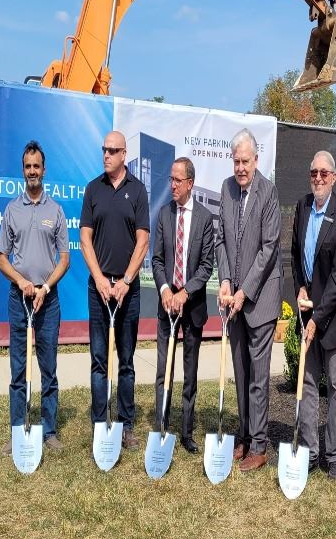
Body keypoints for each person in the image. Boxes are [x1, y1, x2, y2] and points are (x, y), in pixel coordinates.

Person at [0, 140, 70, 455]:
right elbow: (2, 258)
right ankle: (18, 431)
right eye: (27, 167)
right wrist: (22, 281)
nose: (32, 171)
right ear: (22, 170)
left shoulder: (56, 210)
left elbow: (64, 259)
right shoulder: (12, 209)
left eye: (36, 166)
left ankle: (49, 431)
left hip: (47, 301)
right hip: (19, 299)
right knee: (18, 370)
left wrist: (45, 288)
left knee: (48, 369)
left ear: (44, 169)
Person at [216, 128, 282, 472]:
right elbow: (221, 241)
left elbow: (269, 249)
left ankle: (259, 445)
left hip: (260, 299)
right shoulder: (226, 189)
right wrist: (227, 282)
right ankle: (243, 436)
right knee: (241, 372)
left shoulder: (268, 193)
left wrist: (244, 292)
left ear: (256, 160)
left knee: (258, 375)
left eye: (245, 161)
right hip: (235, 300)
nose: (240, 168)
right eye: (236, 161)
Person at [80, 131, 150, 449]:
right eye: (104, 150)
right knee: (99, 359)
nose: (106, 155)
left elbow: (143, 240)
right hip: (99, 290)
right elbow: (85, 239)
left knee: (126, 360)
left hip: (127, 291)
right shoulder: (93, 189)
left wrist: (126, 281)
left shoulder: (138, 190)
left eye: (112, 150)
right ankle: (100, 423)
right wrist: (99, 279)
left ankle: (125, 425)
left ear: (124, 154)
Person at [290, 150, 336, 479]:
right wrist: (300, 287)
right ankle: (310, 452)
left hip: (334, 317)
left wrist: (317, 319)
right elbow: (294, 254)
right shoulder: (302, 206)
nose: (318, 178)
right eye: (313, 172)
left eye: (323, 173)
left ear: (333, 178)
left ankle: (333, 456)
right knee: (308, 382)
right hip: (308, 314)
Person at [151, 157, 215, 454]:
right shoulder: (164, 214)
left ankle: (187, 432)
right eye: (171, 179)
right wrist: (166, 290)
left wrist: (184, 293)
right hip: (166, 305)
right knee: (164, 368)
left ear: (190, 183)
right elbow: (157, 259)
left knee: (190, 372)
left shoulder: (204, 218)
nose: (172, 185)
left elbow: (206, 266)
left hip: (192, 306)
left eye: (178, 180)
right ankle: (161, 427)